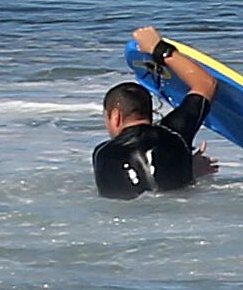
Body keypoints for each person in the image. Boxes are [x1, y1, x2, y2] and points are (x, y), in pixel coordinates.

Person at [93, 27, 221, 200]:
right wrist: (158, 48)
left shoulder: (101, 155)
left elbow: (144, 189)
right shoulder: (175, 134)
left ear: (115, 116)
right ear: (150, 112)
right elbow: (206, 83)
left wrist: (187, 166)